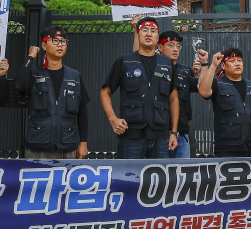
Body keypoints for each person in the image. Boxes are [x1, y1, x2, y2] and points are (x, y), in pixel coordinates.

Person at [102, 17, 180, 158]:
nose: (149, 34)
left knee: (159, 179)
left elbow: (174, 99)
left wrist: (173, 132)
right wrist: (113, 119)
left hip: (160, 137)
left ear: (157, 37)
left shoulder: (167, 64)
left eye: (153, 31)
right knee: (128, 178)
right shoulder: (125, 61)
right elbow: (104, 93)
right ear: (137, 35)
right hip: (131, 135)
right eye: (144, 30)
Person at [13, 26, 90, 159]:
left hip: (67, 145)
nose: (60, 45)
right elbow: (19, 85)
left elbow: (82, 112)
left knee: (65, 180)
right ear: (44, 45)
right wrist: (30, 57)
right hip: (38, 145)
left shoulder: (74, 76)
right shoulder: (34, 74)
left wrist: (83, 142)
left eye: (63, 41)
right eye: (55, 41)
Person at [130, 18, 201, 158]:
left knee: (183, 173)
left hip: (183, 129)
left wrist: (201, 71)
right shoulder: (153, 66)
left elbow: (201, 89)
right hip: (158, 130)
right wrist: (136, 30)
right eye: (171, 45)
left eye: (178, 46)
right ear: (159, 48)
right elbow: (138, 59)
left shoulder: (185, 70)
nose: (175, 49)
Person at [198, 47, 251, 157]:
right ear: (223, 66)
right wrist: (213, 66)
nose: (237, 63)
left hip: (250, 145)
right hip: (226, 146)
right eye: (232, 61)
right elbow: (203, 91)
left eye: (239, 60)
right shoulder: (218, 84)